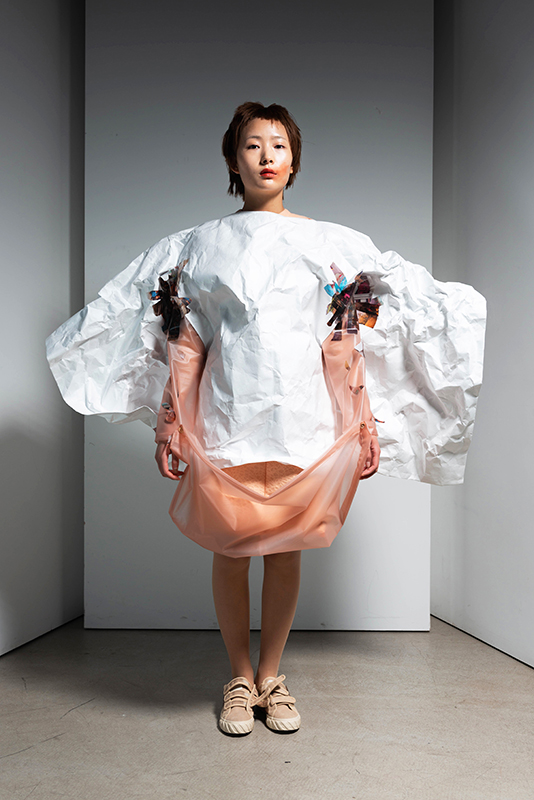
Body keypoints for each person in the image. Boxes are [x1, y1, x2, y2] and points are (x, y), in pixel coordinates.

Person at [46, 102, 486, 738]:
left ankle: (271, 678)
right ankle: (237, 677)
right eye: (253, 145)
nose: (266, 156)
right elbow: (185, 341)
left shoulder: (329, 245)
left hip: (303, 418)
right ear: (234, 159)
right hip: (227, 415)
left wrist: (364, 421)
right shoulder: (199, 246)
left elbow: (345, 340)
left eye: (278, 145)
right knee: (231, 548)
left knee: (284, 550)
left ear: (294, 160)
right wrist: (171, 421)